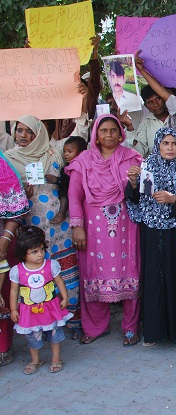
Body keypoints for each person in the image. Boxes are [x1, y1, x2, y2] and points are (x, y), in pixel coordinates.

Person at [65, 114, 143, 347]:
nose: (108, 135)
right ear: (96, 135)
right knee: (92, 274)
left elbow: (141, 193)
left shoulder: (132, 158)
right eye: (103, 131)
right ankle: (96, 327)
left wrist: (134, 182)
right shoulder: (83, 161)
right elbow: (74, 197)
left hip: (126, 229)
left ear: (121, 134)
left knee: (130, 272)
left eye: (113, 131)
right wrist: (77, 227)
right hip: (92, 229)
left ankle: (130, 327)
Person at [4, 116, 82, 339]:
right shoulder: (9, 159)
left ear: (39, 133)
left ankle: (72, 320)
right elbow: (7, 197)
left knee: (66, 271)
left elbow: (67, 180)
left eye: (29, 131)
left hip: (61, 226)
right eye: (19, 131)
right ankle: (41, 324)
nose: (23, 136)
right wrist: (22, 194)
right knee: (38, 275)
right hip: (32, 228)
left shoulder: (53, 152)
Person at [126, 127, 176, 351]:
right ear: (158, 144)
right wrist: (132, 183)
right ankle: (155, 330)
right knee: (154, 280)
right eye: (165, 143)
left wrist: (173, 199)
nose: (170, 148)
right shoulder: (147, 167)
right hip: (152, 230)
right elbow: (135, 199)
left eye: (174, 144)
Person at [9, 226, 72, 375]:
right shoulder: (17, 270)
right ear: (23, 254)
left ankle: (56, 358)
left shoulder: (51, 265)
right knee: (32, 336)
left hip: (51, 308)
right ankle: (35, 360)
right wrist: (13, 309)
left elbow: (60, 282)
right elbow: (13, 291)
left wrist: (65, 297)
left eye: (42, 250)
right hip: (29, 311)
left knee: (54, 334)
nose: (40, 254)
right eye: (34, 252)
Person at [0, 149, 30, 367]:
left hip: (1, 240)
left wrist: (5, 239)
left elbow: (15, 207)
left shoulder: (3, 166)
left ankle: (2, 346)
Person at [44, 136, 88, 225]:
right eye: (64, 151)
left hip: (80, 194)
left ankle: (61, 212)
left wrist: (57, 180)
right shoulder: (67, 166)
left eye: (69, 151)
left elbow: (70, 183)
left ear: (80, 153)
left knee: (64, 190)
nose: (65, 154)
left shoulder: (78, 166)